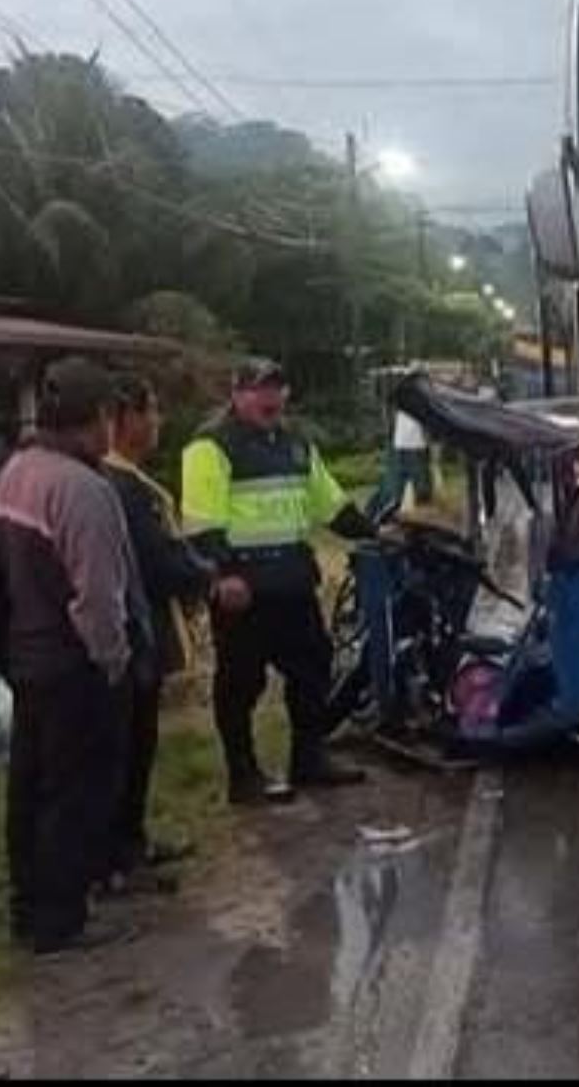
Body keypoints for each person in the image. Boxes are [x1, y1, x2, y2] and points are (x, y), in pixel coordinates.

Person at [0, 357, 146, 955]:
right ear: (102, 417)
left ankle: (29, 908)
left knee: (30, 789)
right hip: (75, 663)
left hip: (28, 655)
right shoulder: (84, 489)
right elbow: (99, 597)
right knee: (77, 793)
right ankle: (62, 919)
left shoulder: (18, 470)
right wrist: (115, 663)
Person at [182, 358, 377, 805]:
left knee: (312, 668)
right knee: (240, 682)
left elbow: (332, 507)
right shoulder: (211, 446)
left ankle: (309, 759)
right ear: (237, 394)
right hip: (243, 590)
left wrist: (377, 532)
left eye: (277, 389)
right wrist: (223, 574)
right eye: (258, 390)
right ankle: (243, 775)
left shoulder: (295, 444)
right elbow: (200, 523)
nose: (270, 398)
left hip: (291, 582)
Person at [103, 374, 226, 891]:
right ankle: (115, 858)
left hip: (143, 630)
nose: (158, 422)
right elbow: (156, 558)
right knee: (124, 751)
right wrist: (208, 575)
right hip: (134, 631)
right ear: (122, 417)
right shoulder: (121, 486)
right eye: (150, 410)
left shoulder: (126, 478)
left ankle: (130, 843)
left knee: (139, 744)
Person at [370, 407, 434, 519]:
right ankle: (377, 518)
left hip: (417, 446)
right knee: (392, 494)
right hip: (400, 445)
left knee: (422, 493)